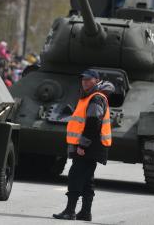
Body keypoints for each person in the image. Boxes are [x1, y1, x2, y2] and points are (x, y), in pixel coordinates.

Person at [53, 69, 114, 221]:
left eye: (88, 79)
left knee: (75, 176)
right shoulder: (88, 97)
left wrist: (83, 145)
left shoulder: (95, 98)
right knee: (87, 179)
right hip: (91, 146)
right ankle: (85, 212)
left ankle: (70, 211)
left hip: (89, 146)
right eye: (83, 79)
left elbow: (93, 123)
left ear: (96, 80)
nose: (85, 81)